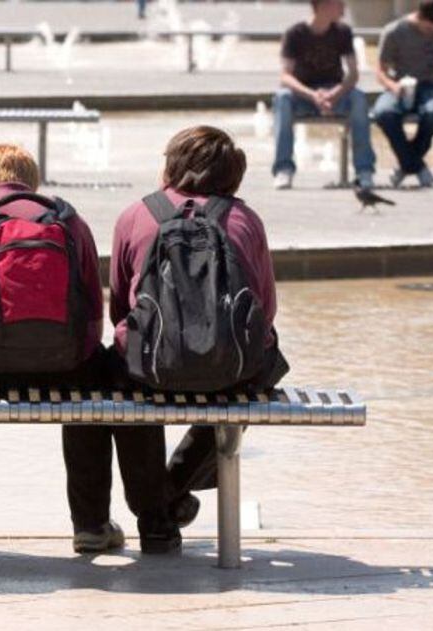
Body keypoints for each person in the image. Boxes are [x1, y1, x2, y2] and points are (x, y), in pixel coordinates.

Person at [0, 143, 173, 555]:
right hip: (65, 366)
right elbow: (93, 314)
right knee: (95, 390)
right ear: (33, 183)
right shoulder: (67, 220)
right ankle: (91, 523)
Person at [110, 126, 288, 531]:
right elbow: (266, 310)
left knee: (120, 375)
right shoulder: (244, 219)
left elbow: (120, 308)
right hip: (231, 371)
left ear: (172, 165)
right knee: (261, 369)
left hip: (151, 370)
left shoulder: (136, 215)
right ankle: (176, 485)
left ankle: (154, 512)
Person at [272, 0, 376, 190]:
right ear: (323, 5)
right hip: (304, 95)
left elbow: (353, 73)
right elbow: (285, 76)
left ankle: (364, 171)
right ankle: (283, 169)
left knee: (359, 98)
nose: (343, 8)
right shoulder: (295, 34)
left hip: (334, 94)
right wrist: (313, 95)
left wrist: (335, 94)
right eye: (339, 4)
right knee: (282, 98)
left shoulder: (343, 31)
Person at [373, 0, 433, 188]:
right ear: (419, 17)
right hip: (399, 84)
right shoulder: (395, 31)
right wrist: (393, 86)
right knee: (383, 113)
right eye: (428, 28)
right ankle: (416, 165)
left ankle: (407, 164)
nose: (432, 32)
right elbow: (380, 70)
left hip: (429, 85)